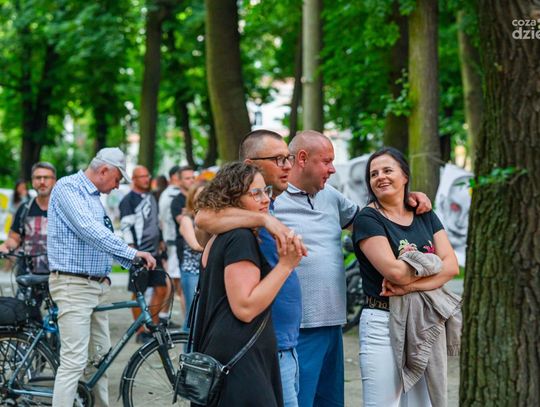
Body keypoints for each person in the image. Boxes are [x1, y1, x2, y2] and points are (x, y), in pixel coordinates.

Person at [273, 131, 432, 407]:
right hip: (299, 327)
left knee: (331, 402)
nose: (333, 169)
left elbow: (373, 223)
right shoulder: (272, 199)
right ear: (302, 159)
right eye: (326, 161)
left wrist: (405, 198)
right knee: (299, 401)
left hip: (333, 323)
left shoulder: (331, 196)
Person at [195, 129, 306, 407]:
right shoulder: (239, 234)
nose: (287, 166)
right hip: (245, 354)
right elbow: (244, 307)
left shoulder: (236, 226)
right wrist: (286, 264)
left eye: (288, 158)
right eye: (278, 159)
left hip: (257, 348)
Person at [47, 147, 156, 407]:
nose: (117, 186)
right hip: (73, 284)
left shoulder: (95, 197)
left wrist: (131, 260)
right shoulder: (69, 188)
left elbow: (102, 237)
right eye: (118, 179)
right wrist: (131, 253)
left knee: (101, 359)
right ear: (104, 170)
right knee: (74, 362)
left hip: (96, 285)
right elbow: (89, 230)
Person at [352, 147, 459, 406]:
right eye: (374, 174)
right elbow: (396, 273)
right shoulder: (368, 218)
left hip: (422, 321)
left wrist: (410, 286)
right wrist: (433, 264)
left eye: (388, 170)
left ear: (405, 176)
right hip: (382, 322)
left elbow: (452, 267)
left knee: (423, 404)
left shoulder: (424, 214)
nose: (380, 177)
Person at [119, 165, 170, 342]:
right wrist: (132, 251)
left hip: (155, 253)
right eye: (142, 176)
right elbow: (126, 227)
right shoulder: (128, 200)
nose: (146, 179)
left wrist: (161, 240)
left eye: (148, 175)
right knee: (138, 292)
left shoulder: (151, 197)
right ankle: (140, 331)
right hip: (139, 253)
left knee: (162, 288)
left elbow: (156, 222)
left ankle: (152, 327)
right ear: (134, 179)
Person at [0, 163, 56, 320]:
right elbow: (14, 238)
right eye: (38, 177)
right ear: (32, 181)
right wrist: (5, 246)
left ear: (55, 181)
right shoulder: (25, 208)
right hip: (29, 275)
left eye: (46, 177)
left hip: (58, 276)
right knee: (26, 321)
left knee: (62, 321)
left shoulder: (63, 209)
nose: (42, 181)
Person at [158, 165, 186, 318]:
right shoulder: (172, 194)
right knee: (177, 282)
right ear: (175, 177)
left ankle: (164, 316)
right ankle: (165, 316)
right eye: (187, 178)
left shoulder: (166, 193)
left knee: (176, 281)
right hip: (174, 241)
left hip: (171, 240)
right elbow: (166, 220)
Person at [178, 182, 205, 328]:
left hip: (207, 272)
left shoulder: (212, 218)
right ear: (192, 198)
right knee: (192, 317)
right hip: (192, 272)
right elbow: (195, 246)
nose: (203, 198)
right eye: (199, 195)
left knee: (202, 318)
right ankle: (186, 343)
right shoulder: (187, 220)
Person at [170, 166, 196, 311]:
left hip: (201, 255)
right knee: (188, 292)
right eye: (187, 178)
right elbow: (182, 221)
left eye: (193, 177)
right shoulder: (177, 201)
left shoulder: (198, 198)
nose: (191, 181)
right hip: (186, 252)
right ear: (179, 181)